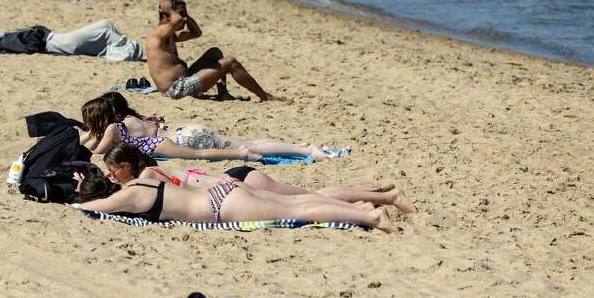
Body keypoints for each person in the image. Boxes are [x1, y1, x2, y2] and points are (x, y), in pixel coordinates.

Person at [74, 158, 397, 233]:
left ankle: (370, 216)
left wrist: (79, 195)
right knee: (295, 203)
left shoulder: (127, 197)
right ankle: (360, 207)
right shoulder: (144, 179)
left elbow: (92, 208)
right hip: (225, 190)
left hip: (220, 207)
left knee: (299, 211)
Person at [102, 143, 417, 213]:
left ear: (128, 165)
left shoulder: (147, 177)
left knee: (308, 198)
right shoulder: (152, 170)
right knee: (311, 194)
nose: (112, 175)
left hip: (232, 184)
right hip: (232, 179)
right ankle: (375, 194)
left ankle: (383, 198)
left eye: (114, 169)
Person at [80, 93, 330, 163]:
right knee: (250, 141)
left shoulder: (116, 127)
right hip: (185, 131)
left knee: (248, 147)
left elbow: (96, 151)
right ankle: (300, 148)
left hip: (187, 140)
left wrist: (86, 136)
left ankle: (306, 150)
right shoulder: (134, 119)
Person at [146, 0, 281, 102]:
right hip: (175, 90)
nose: (185, 18)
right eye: (181, 13)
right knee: (230, 62)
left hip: (184, 80)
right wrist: (169, 9)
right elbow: (178, 21)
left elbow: (196, 32)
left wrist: (185, 15)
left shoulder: (169, 35)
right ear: (167, 16)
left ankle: (223, 94)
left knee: (215, 52)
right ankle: (265, 96)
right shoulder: (158, 35)